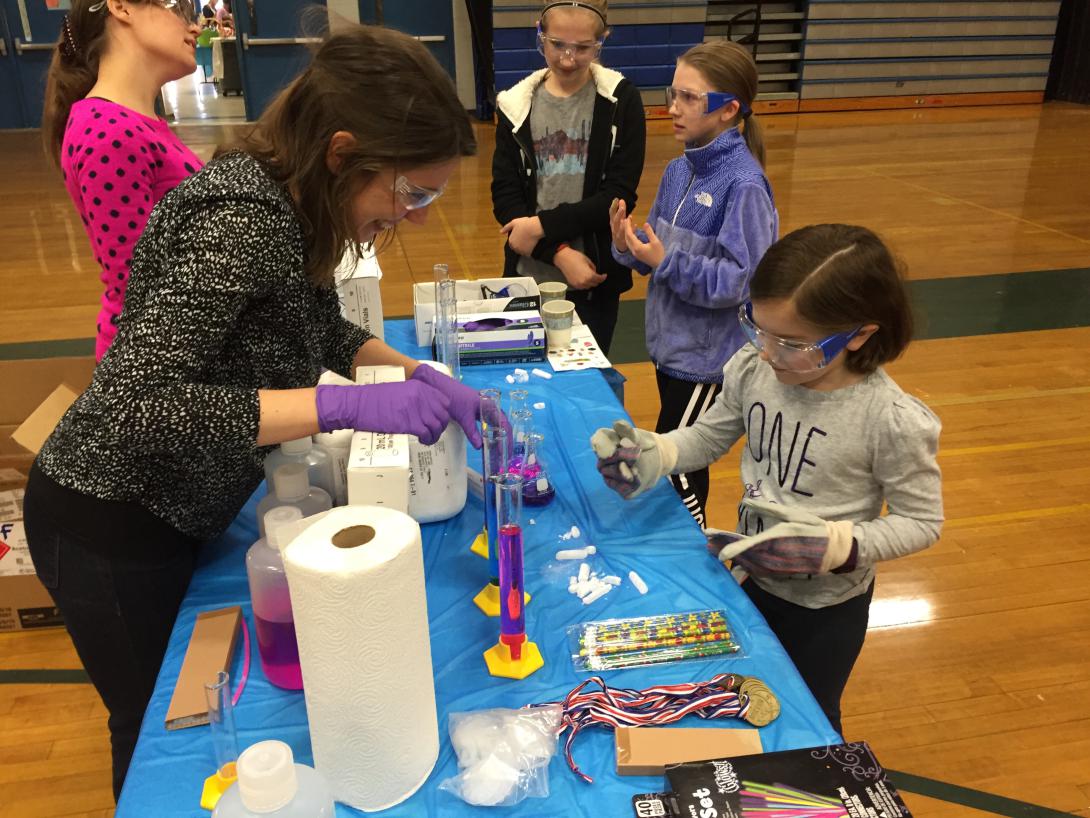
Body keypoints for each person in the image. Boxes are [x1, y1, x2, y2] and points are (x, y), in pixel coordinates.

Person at [24, 25, 480, 801]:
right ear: (341, 153)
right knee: (154, 735)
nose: (420, 218)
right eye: (414, 192)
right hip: (108, 521)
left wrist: (418, 373)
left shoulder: (292, 205)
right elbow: (140, 403)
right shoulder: (242, 218)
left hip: (171, 507)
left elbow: (314, 328)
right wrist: (340, 404)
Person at [592, 224, 944, 734]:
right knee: (745, 700)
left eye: (792, 344)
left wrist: (837, 545)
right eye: (758, 330)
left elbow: (923, 521)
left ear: (860, 334)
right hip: (749, 576)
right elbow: (708, 438)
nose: (768, 353)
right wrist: (659, 450)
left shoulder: (890, 420)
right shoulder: (756, 370)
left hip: (825, 611)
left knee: (808, 720)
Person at [609, 41, 777, 528]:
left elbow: (742, 282)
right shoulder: (680, 168)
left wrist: (666, 261)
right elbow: (657, 254)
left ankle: (693, 556)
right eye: (673, 93)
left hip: (708, 362)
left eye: (689, 98)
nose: (673, 108)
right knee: (683, 465)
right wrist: (628, 244)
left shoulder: (744, 185)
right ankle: (686, 548)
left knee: (674, 467)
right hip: (671, 351)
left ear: (728, 110)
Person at [43, 0, 204, 362]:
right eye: (180, 9)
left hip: (175, 351)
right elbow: (140, 286)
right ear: (121, 7)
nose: (194, 28)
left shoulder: (134, 124)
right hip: (154, 366)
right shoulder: (107, 131)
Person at [491, 0, 645, 355]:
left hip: (593, 279)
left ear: (602, 41)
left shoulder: (621, 101)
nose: (568, 58)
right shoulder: (515, 105)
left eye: (583, 48)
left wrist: (541, 226)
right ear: (540, 35)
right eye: (557, 44)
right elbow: (505, 196)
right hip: (527, 277)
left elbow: (618, 194)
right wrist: (557, 253)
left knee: (588, 388)